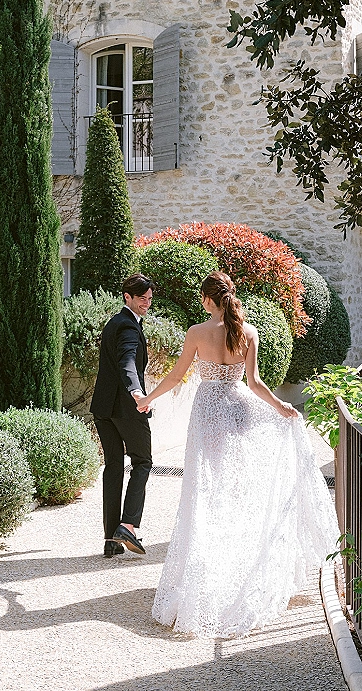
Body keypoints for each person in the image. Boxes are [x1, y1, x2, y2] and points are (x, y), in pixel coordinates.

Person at [137, 271, 340, 637]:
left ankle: (208, 573)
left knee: (205, 494)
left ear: (207, 299)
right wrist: (281, 407)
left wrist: (148, 399)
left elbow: (176, 376)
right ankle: (237, 567)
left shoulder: (197, 333)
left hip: (208, 414)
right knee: (235, 492)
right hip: (240, 410)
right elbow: (255, 384)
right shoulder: (248, 332)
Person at [91, 273, 155, 558]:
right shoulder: (128, 326)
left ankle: (110, 542)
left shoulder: (113, 323)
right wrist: (137, 393)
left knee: (114, 468)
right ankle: (126, 527)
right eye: (142, 299)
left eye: (150, 299)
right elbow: (128, 361)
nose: (147, 304)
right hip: (128, 408)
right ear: (127, 297)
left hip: (103, 409)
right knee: (143, 461)